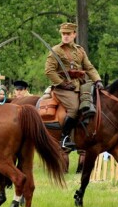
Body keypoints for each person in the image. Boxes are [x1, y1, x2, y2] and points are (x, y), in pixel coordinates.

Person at [44, 22, 103, 151]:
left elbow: (89, 67)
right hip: (62, 88)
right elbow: (49, 71)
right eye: (63, 34)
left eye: (68, 34)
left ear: (74, 34)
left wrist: (98, 80)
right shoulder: (56, 50)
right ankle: (64, 138)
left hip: (79, 85)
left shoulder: (79, 50)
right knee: (75, 108)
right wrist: (62, 83)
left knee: (91, 105)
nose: (65, 36)